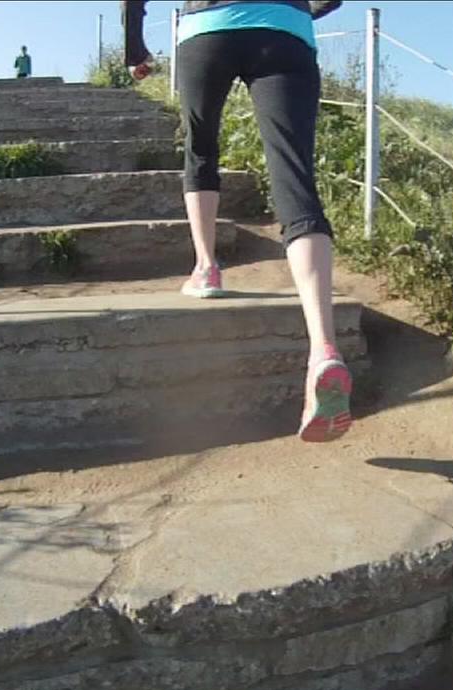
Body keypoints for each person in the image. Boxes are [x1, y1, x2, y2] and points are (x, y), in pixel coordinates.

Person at [123, 0, 350, 443]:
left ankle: (206, 267)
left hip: (207, 27)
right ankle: (323, 347)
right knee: (295, 178)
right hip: (283, 29)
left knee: (201, 147)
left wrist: (135, 48)